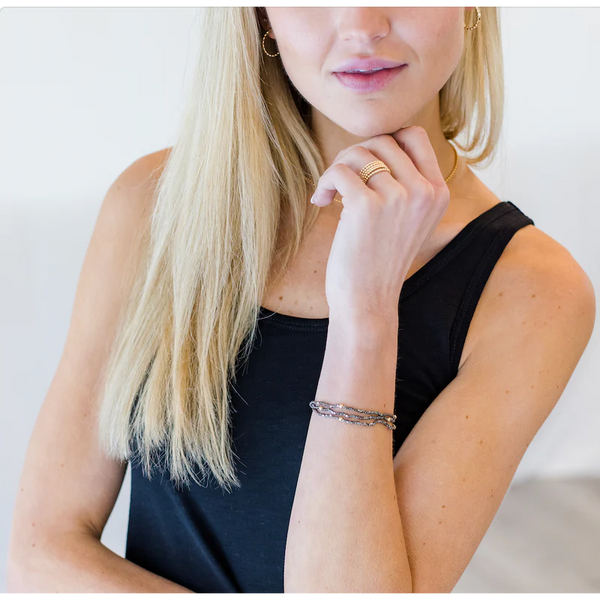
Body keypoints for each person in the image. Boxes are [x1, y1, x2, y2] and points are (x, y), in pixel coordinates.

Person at [7, 3, 596, 598]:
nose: (363, 25)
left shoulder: (531, 291)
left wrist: (364, 313)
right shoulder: (152, 206)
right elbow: (40, 554)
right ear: (262, 16)